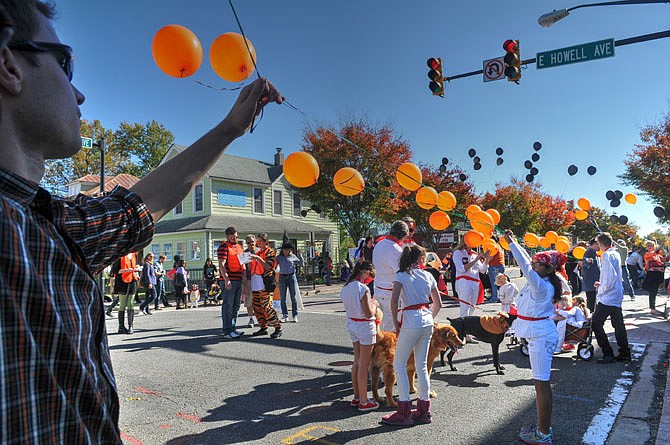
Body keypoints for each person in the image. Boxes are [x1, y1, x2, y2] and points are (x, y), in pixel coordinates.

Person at [0, 1, 282, 437]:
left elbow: (137, 207)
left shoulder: (49, 222)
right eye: (64, 63)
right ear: (7, 64)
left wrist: (230, 127)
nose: (79, 94)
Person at [503, 230, 564, 445]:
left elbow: (524, 265)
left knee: (542, 384)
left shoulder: (540, 285)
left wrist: (511, 242)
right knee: (540, 383)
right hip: (538, 335)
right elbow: (529, 263)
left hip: (541, 338)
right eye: (535, 263)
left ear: (548, 269)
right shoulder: (541, 281)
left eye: (539, 264)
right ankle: (543, 427)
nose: (534, 266)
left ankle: (543, 433)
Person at [381, 245, 441, 426]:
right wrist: (430, 317)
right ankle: (424, 410)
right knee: (421, 365)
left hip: (410, 320)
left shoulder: (401, 276)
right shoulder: (429, 275)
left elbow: (394, 300)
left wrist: (396, 322)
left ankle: (404, 410)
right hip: (426, 319)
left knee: (399, 364)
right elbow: (437, 303)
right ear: (421, 259)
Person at [340, 260, 380, 412]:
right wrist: (374, 304)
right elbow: (368, 312)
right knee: (364, 364)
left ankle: (357, 396)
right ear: (365, 272)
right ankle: (364, 401)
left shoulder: (346, 288)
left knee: (356, 361)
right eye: (370, 275)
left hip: (352, 324)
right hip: (364, 326)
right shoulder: (363, 289)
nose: (370, 278)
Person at [592, 232, 631, 364]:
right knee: (618, 325)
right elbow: (613, 276)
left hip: (608, 297)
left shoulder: (607, 255)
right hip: (616, 295)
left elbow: (609, 278)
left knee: (596, 324)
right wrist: (602, 284)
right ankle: (625, 352)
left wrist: (601, 289)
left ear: (601, 244)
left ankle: (607, 353)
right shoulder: (615, 253)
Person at [372, 220, 409, 332]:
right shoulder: (396, 250)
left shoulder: (379, 244)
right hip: (390, 291)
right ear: (402, 236)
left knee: (379, 324)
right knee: (391, 327)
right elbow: (401, 272)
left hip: (378, 288)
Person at [453, 238, 490, 343]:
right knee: (464, 308)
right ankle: (462, 335)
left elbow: (483, 270)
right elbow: (461, 269)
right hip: (463, 281)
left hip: (475, 282)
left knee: (472, 307)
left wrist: (487, 259)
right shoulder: (458, 253)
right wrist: (475, 259)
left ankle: (468, 334)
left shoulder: (474, 254)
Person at [249, 233, 282, 338]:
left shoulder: (270, 252)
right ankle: (263, 327)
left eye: (260, 242)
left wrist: (258, 258)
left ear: (266, 242)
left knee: (266, 306)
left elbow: (268, 267)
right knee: (257, 306)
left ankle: (278, 327)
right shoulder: (258, 252)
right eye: (257, 241)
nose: (258, 243)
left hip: (266, 283)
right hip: (256, 283)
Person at [217, 227, 247, 339]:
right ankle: (227, 330)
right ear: (227, 236)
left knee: (236, 306)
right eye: (232, 237)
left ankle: (233, 328)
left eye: (236, 236)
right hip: (229, 281)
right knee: (228, 305)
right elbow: (221, 264)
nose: (235, 239)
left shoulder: (239, 247)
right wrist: (226, 279)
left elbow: (243, 263)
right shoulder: (223, 247)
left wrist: (244, 276)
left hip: (238, 279)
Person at [277, 240, 303, 322]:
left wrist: (300, 255)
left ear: (290, 250)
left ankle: (295, 315)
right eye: (284, 249)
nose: (285, 251)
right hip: (282, 277)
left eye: (287, 249)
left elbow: (301, 263)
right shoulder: (279, 258)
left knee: (293, 297)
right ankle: (285, 315)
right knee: (282, 298)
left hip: (291, 276)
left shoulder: (293, 257)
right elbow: (272, 263)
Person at [642, 240, 668, 316]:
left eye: (651, 246)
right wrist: (661, 245)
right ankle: (652, 309)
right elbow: (654, 252)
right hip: (652, 275)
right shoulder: (647, 254)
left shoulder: (658, 255)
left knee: (654, 291)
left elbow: (665, 259)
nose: (650, 247)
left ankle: (653, 308)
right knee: (653, 291)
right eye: (648, 246)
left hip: (658, 275)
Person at [240, 235, 257, 325]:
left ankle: (264, 319)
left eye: (252, 241)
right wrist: (244, 283)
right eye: (248, 242)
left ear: (255, 241)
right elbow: (243, 269)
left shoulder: (259, 251)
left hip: (259, 279)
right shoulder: (245, 254)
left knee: (261, 300)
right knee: (249, 300)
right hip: (249, 280)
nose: (251, 244)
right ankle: (251, 319)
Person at [582, 239, 601, 313]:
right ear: (594, 244)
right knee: (591, 301)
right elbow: (585, 262)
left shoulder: (594, 253)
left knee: (594, 301)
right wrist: (588, 261)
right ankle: (590, 319)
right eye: (599, 244)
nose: (600, 246)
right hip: (591, 282)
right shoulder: (589, 252)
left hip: (594, 282)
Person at [487, 236, 505, 304]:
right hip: (501, 265)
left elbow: (490, 258)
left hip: (494, 266)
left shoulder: (493, 247)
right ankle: (501, 297)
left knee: (494, 283)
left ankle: (494, 298)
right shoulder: (499, 247)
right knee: (500, 283)